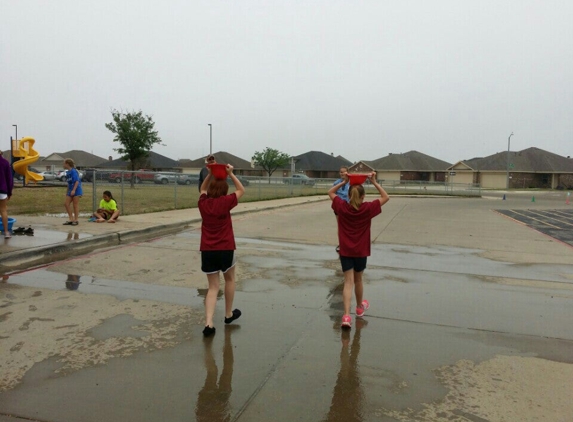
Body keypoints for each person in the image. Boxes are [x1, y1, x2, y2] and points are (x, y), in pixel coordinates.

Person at [328, 171, 389, 329]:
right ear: (363, 197)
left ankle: (346, 316)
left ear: (348, 196)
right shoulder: (367, 208)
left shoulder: (342, 207)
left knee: (347, 283)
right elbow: (385, 197)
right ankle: (359, 308)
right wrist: (374, 182)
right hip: (361, 251)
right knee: (358, 280)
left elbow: (331, 192)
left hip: (346, 251)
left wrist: (344, 181)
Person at [198, 163, 245, 336]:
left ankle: (209, 323)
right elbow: (241, 190)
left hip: (208, 249)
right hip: (225, 247)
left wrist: (210, 174)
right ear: (224, 191)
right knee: (230, 279)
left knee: (212, 287)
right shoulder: (226, 202)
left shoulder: (203, 203)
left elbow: (202, 189)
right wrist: (231, 173)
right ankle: (228, 314)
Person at [332, 166, 350, 253]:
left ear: (348, 172)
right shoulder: (336, 183)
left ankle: (349, 243)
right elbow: (333, 194)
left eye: (344, 172)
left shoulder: (351, 183)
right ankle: (341, 244)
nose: (342, 173)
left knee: (349, 226)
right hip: (339, 207)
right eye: (341, 172)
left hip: (349, 207)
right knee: (340, 226)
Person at [63, 158, 83, 226]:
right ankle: (71, 218)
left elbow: (76, 181)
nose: (63, 165)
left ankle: (76, 219)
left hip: (76, 189)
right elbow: (69, 182)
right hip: (70, 189)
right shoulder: (67, 172)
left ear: (67, 164)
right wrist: (67, 191)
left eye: (64, 163)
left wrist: (74, 190)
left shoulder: (73, 171)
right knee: (66, 204)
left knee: (75, 205)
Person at [0, 150, 14, 239]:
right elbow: (9, 179)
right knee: (3, 210)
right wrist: (9, 192)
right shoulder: (5, 163)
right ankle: (6, 232)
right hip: (2, 190)